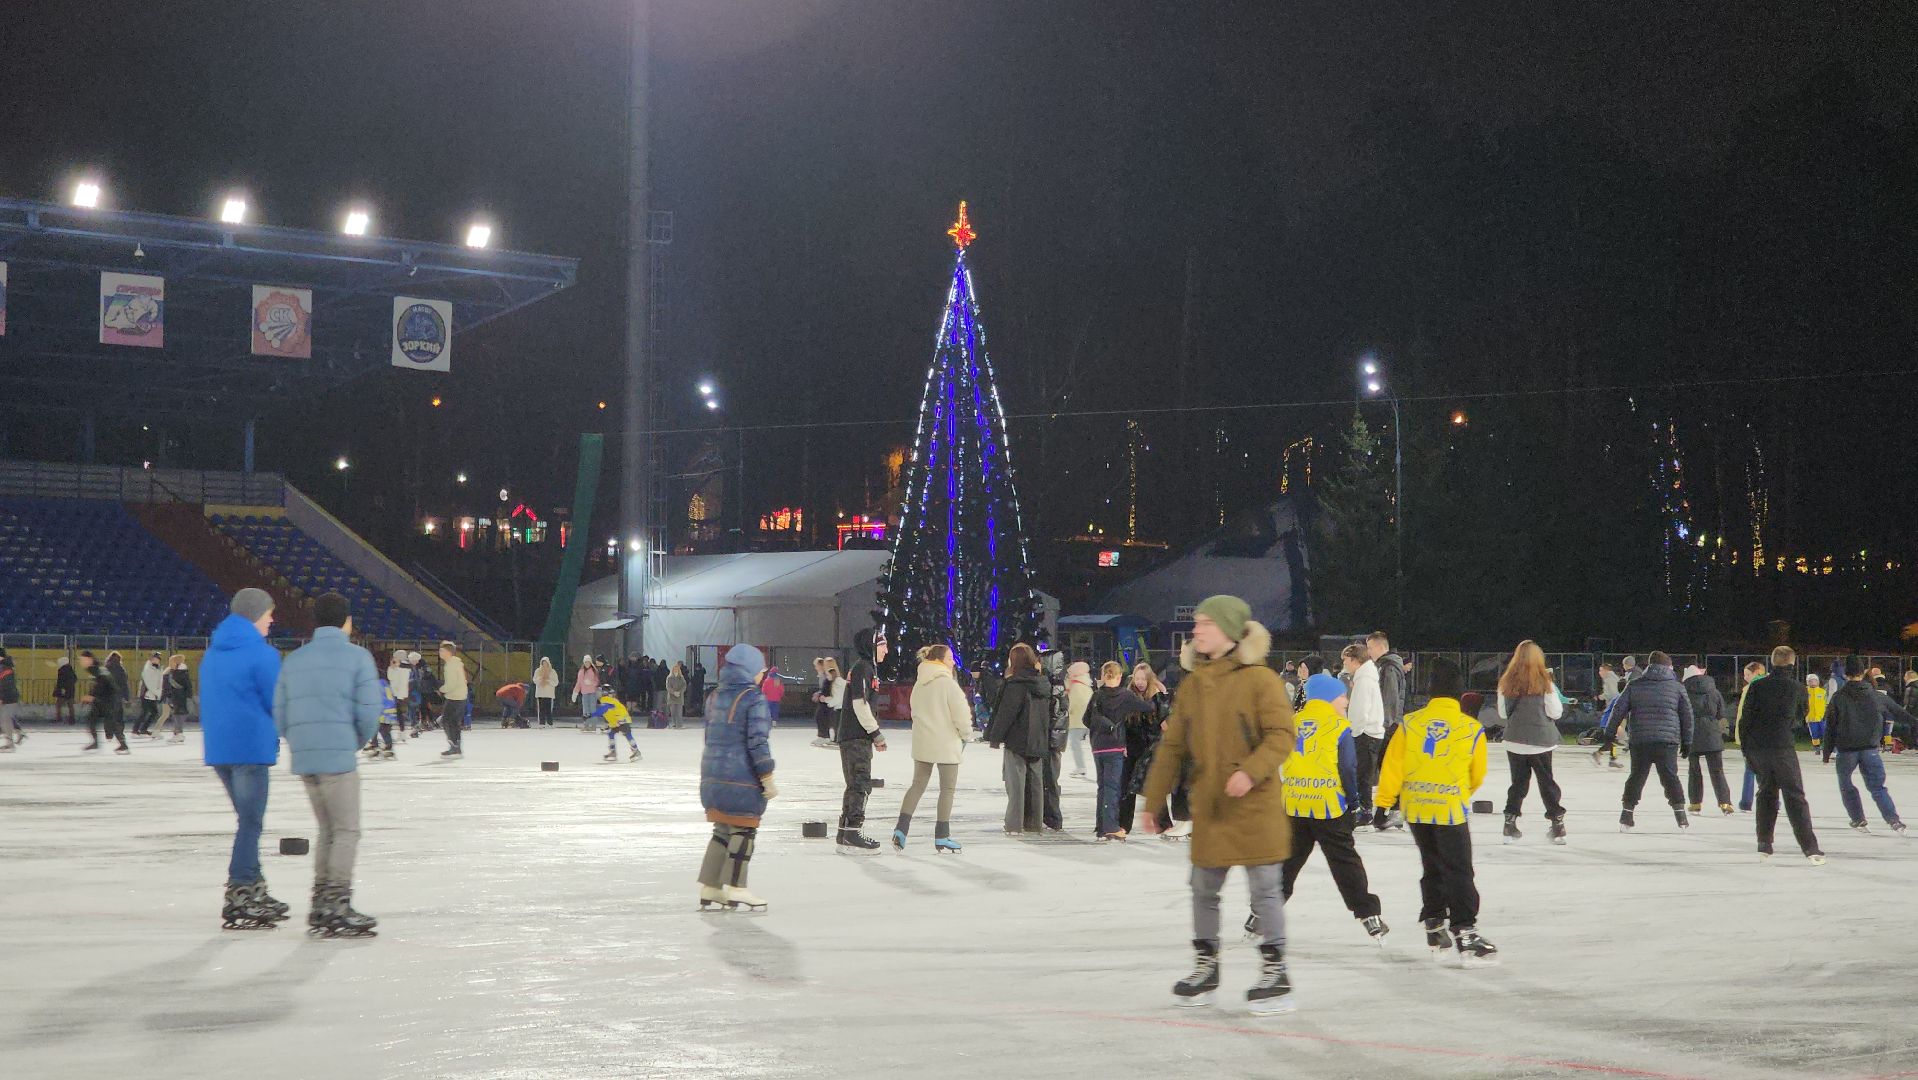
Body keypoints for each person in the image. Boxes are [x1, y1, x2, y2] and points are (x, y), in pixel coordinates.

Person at [1137, 595, 1296, 1015]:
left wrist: (1250, 771)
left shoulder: (1261, 680)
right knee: (1203, 888)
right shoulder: (1194, 684)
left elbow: (1282, 734)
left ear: (1228, 630)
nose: (1197, 630)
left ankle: (1275, 971)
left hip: (1254, 804)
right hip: (1211, 804)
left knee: (1264, 889)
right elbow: (1172, 747)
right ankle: (1206, 965)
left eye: (1205, 623)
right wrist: (1153, 801)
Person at [1374, 656, 1498, 966]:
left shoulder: (1410, 723)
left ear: (1430, 691)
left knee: (1432, 865)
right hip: (1449, 809)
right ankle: (1466, 932)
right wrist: (1456, 793)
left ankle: (1434, 923)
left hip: (1416, 808)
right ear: (1458, 693)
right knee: (1459, 870)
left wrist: (1384, 804)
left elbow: (1392, 767)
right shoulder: (1471, 729)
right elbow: (1477, 775)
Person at [275, 592, 382, 938]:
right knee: (346, 831)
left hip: (306, 760)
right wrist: (353, 743)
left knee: (327, 831)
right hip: (338, 757)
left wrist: (301, 742)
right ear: (346, 621)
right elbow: (369, 711)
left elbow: (280, 712)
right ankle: (336, 903)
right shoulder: (357, 657)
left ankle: (321, 901)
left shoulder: (294, 660)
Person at [1271, 672, 1387, 944]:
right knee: (1344, 861)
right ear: (1328, 696)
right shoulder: (1338, 726)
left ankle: (1260, 913)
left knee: (1287, 861)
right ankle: (1368, 914)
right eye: (1342, 695)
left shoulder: (1291, 722)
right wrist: (1355, 801)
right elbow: (1347, 767)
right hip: (1329, 808)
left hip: (1295, 805)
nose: (1346, 701)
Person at [200, 588, 291, 929]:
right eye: (269, 613)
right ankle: (239, 891)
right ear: (255, 614)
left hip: (220, 749)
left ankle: (254, 888)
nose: (272, 619)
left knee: (248, 822)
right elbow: (276, 702)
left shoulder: (213, 652)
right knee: (250, 824)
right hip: (250, 749)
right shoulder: (263, 655)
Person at [697, 643, 776, 911]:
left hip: (711, 776)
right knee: (743, 829)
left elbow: (710, 737)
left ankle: (711, 885)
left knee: (721, 830)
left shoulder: (714, 696)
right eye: (760, 670)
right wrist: (767, 776)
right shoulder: (754, 698)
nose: (762, 675)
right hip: (741, 779)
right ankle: (736, 887)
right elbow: (757, 742)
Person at [1738, 646, 1824, 864]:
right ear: (1792, 664)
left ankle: (1764, 844)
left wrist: (1747, 750)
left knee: (1766, 793)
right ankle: (1810, 848)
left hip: (1759, 748)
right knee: (1795, 796)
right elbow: (1801, 715)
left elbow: (1744, 720)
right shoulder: (1797, 688)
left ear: (1772, 662)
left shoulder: (1757, 687)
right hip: (1782, 746)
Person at [891, 644, 974, 853]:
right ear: (940, 661)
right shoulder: (948, 684)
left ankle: (901, 829)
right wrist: (966, 736)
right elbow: (962, 715)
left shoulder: (920, 683)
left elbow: (915, 712)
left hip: (923, 742)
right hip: (946, 743)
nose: (953, 661)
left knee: (917, 785)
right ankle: (942, 836)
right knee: (947, 790)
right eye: (950, 658)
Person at [1609, 651, 1694, 833]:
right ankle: (1681, 815)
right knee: (1670, 777)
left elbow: (1618, 710)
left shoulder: (1635, 684)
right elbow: (1687, 716)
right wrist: (1688, 742)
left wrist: (1608, 735)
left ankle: (1627, 814)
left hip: (1641, 740)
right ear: (1668, 667)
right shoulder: (1677, 687)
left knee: (1637, 776)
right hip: (1667, 741)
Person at [1823, 656, 1908, 834]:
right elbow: (1900, 713)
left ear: (1846, 674)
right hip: (1870, 749)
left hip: (1846, 751)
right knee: (1877, 787)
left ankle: (1858, 819)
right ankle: (1893, 820)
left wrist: (1827, 752)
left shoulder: (1838, 697)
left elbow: (1830, 726)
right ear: (1863, 673)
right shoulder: (1876, 696)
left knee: (1846, 784)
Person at [1496, 641, 1568, 845]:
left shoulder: (1506, 683)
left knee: (1518, 783)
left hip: (1515, 740)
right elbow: (1555, 712)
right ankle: (1557, 826)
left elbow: (1503, 714)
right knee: (1547, 783)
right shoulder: (1546, 683)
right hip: (1541, 742)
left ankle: (1509, 825)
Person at [984, 643, 1050, 836]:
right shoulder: (1042, 683)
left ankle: (1014, 824)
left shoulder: (1015, 684)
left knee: (1016, 784)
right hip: (1038, 740)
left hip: (1017, 739)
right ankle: (1034, 823)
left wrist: (995, 737)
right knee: (1035, 784)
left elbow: (1007, 713)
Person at [834, 629, 890, 852]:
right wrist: (875, 732)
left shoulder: (866, 669)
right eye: (882, 645)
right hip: (855, 736)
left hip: (856, 736)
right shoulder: (863, 669)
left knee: (855, 784)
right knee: (860, 784)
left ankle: (846, 831)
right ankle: (853, 831)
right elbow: (860, 704)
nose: (886, 650)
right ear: (871, 645)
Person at [1087, 661, 1151, 841]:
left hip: (1098, 747)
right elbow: (1148, 708)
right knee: (1113, 788)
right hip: (1115, 747)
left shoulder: (1097, 696)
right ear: (1120, 676)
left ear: (1103, 676)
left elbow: (1087, 719)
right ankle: (1111, 828)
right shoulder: (1126, 695)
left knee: (1102, 787)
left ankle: (1101, 827)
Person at [1366, 631, 1408, 830]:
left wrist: (1383, 724)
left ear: (1378, 647)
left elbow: (1389, 699)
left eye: (1369, 647)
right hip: (1391, 725)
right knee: (1386, 768)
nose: (1368, 652)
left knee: (1387, 768)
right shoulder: (1387, 666)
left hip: (1388, 727)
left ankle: (1393, 810)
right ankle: (1389, 811)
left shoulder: (1388, 667)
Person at [1681, 664, 1732, 816]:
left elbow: (1681, 713)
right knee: (1717, 770)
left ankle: (1695, 803)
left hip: (1692, 733)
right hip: (1712, 733)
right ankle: (1725, 803)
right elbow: (1721, 713)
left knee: (1694, 770)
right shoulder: (1714, 691)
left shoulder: (1684, 692)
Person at [1344, 643, 1386, 820]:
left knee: (1363, 775)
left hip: (1365, 734)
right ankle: (1364, 810)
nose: (1344, 663)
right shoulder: (1365, 677)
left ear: (1354, 660)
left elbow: (1361, 711)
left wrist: (1354, 732)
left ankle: (1365, 811)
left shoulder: (1364, 680)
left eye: (1345, 659)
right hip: (1368, 732)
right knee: (1363, 774)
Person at [79, 650, 129, 754]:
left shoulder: (98, 669)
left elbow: (102, 683)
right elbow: (97, 684)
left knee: (111, 723)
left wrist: (91, 697)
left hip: (108, 700)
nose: (81, 662)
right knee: (92, 720)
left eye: (83, 660)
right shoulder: (95, 669)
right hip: (103, 699)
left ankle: (123, 745)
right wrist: (91, 696)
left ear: (89, 659)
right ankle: (97, 743)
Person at [1733, 661, 1766, 810]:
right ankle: (1770, 800)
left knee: (1752, 769)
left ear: (1758, 671)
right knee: (1764, 770)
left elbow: (1745, 716)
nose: (1745, 677)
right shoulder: (1749, 688)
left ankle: (1747, 802)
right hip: (1760, 736)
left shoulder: (1755, 688)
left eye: (1748, 674)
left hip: (1753, 736)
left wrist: (1742, 735)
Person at [592, 688, 642, 761]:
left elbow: (606, 711)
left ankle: (636, 751)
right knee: (611, 733)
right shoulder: (611, 701)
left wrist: (591, 715)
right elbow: (610, 715)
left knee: (627, 735)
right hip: (618, 721)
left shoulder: (609, 701)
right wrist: (609, 725)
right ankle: (613, 752)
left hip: (622, 720)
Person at [437, 641, 468, 757]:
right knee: (455, 722)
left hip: (454, 697)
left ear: (448, 652)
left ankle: (453, 745)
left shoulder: (450, 665)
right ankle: (457, 746)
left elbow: (451, 684)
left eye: (442, 650)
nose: (440, 653)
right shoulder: (457, 663)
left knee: (446, 721)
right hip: (461, 696)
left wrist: (441, 689)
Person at [1064, 659, 1093, 780]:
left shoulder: (1076, 685)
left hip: (1078, 720)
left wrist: (1068, 712)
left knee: (1075, 743)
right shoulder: (1086, 684)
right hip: (1087, 719)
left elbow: (1075, 703)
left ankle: (1081, 766)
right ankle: (1083, 766)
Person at [161, 653, 193, 743]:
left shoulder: (179, 673)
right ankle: (177, 733)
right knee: (176, 714)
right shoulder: (173, 672)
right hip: (175, 697)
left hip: (179, 697)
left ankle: (179, 733)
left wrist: (187, 696)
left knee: (178, 714)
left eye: (171, 661)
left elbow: (186, 686)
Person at [809, 657, 839, 747]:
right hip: (826, 700)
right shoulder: (825, 676)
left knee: (826, 718)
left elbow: (831, 688)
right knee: (822, 717)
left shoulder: (830, 677)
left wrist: (824, 696)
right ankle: (825, 736)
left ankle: (826, 736)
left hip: (830, 701)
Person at [135, 652, 165, 737]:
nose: (157, 660)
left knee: (152, 712)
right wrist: (158, 693)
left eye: (158, 659)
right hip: (147, 693)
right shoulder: (148, 669)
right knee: (145, 712)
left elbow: (159, 681)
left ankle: (142, 729)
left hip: (153, 694)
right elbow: (149, 684)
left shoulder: (157, 668)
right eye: (155, 658)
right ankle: (136, 730)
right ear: (151, 659)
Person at [0, 647, 21, 751]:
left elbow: (5, 684)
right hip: (8, 697)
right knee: (5, 720)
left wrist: (1, 697)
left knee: (5, 720)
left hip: (8, 697)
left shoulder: (5, 668)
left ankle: (10, 744)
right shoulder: (5, 666)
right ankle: (11, 741)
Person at [388, 651, 414, 734]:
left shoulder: (404, 668)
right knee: (399, 713)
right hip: (397, 693)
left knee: (399, 713)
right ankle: (401, 731)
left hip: (399, 693)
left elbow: (393, 678)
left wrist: (393, 668)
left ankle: (401, 731)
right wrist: (392, 667)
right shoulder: (399, 667)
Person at [572, 655, 601, 722]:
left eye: (588, 662)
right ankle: (586, 725)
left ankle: (593, 725)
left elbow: (597, 681)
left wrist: (591, 683)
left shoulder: (594, 671)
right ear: (583, 663)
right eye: (585, 662)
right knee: (585, 710)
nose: (587, 664)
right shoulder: (581, 672)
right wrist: (575, 692)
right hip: (584, 693)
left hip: (592, 693)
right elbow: (579, 683)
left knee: (592, 709)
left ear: (590, 663)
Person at [532, 657, 559, 726]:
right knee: (541, 709)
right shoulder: (538, 671)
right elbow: (535, 680)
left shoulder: (552, 672)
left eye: (546, 663)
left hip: (549, 694)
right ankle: (541, 723)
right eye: (543, 663)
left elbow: (556, 682)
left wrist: (548, 680)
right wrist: (541, 679)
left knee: (548, 709)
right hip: (540, 693)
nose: (544, 665)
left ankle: (550, 723)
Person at [1806, 674, 1829, 751]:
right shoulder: (1805, 692)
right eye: (1811, 680)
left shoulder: (1822, 692)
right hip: (1811, 717)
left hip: (1821, 716)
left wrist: (1826, 713)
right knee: (1814, 733)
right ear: (1807, 682)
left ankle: (1826, 746)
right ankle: (1816, 747)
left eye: (1815, 680)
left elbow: (1826, 703)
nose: (1813, 682)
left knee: (1825, 732)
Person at [52, 656, 77, 725]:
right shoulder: (71, 670)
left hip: (63, 691)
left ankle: (58, 718)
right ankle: (72, 719)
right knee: (70, 705)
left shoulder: (61, 670)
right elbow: (75, 679)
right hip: (71, 691)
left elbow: (60, 681)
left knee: (58, 704)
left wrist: (60, 689)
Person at [666, 662, 689, 729]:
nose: (676, 671)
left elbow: (684, 686)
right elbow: (668, 687)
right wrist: (673, 692)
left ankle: (680, 724)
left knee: (679, 712)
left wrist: (680, 692)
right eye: (674, 669)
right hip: (671, 697)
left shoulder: (681, 678)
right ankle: (673, 723)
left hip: (679, 697)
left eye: (677, 669)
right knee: (673, 712)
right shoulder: (669, 678)